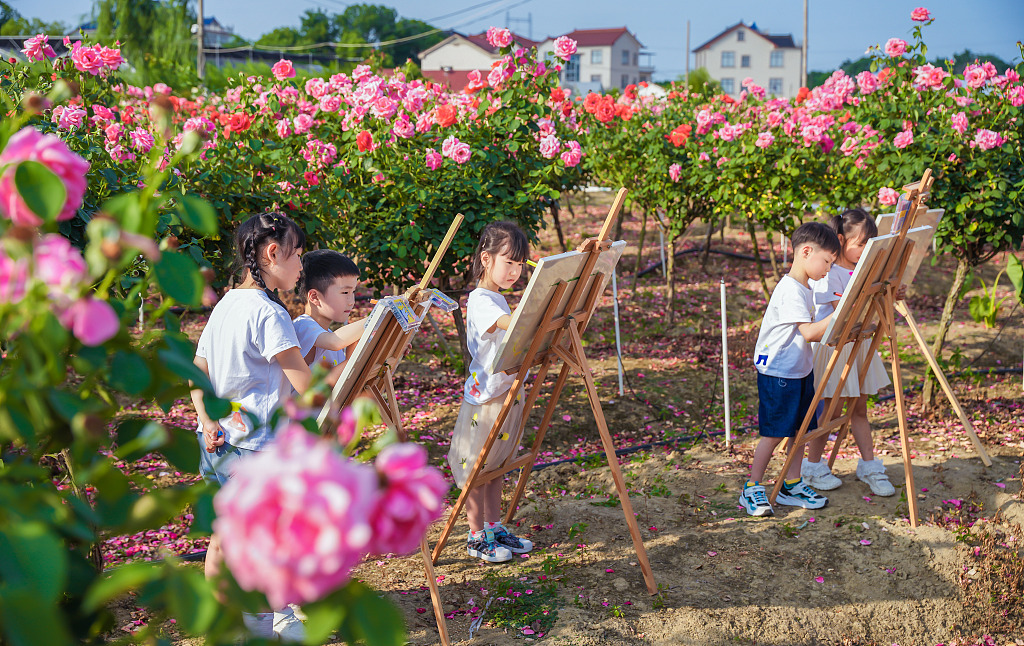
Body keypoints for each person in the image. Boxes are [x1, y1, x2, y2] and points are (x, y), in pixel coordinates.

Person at [189, 212, 314, 642]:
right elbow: (306, 386)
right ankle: (259, 632)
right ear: (272, 253)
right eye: (297, 255)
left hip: (218, 442)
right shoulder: (268, 313)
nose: (301, 265)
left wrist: (206, 421)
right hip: (255, 450)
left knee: (223, 542)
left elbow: (197, 374)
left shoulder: (226, 305)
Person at [447, 221, 535, 563]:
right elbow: (508, 327)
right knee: (477, 468)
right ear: (486, 259)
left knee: (498, 465)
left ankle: (494, 526)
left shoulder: (496, 296)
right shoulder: (482, 299)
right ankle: (475, 535)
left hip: (505, 393)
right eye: (508, 261)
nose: (514, 270)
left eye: (519, 264)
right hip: (484, 400)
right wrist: (538, 312)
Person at [741, 222, 841, 517]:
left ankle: (791, 484)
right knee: (774, 433)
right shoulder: (791, 290)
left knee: (801, 431)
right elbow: (810, 333)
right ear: (806, 252)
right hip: (779, 373)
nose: (828, 269)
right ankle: (752, 486)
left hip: (799, 371)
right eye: (826, 261)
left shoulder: (806, 287)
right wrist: (840, 312)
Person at [802, 208, 896, 496]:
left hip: (859, 343)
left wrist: (888, 291)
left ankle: (869, 465)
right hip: (835, 348)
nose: (865, 250)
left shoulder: (862, 270)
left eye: (870, 244)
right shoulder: (829, 274)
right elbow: (837, 318)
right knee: (829, 411)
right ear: (841, 240)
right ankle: (813, 466)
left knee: (859, 408)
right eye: (861, 244)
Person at [293, 249, 365, 369]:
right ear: (314, 297)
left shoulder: (329, 335)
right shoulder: (302, 326)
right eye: (345, 292)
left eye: (353, 292)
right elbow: (335, 342)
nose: (352, 301)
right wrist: (377, 317)